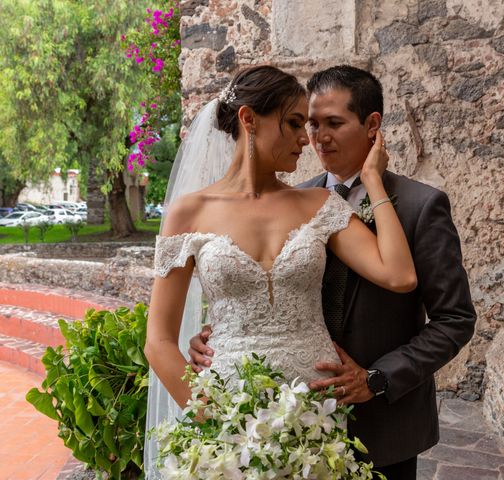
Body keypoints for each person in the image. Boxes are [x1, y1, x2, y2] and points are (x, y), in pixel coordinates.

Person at [189, 65, 477, 480]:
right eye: (309, 124)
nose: (317, 137)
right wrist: (218, 336)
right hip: (290, 422)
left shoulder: (421, 206)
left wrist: (376, 379)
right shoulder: (294, 199)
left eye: (334, 123)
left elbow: (455, 320)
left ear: (372, 125)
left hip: (384, 427)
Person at [143, 65, 417, 476]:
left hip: (314, 415)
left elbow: (399, 275)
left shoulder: (318, 205)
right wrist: (217, 422)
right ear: (248, 119)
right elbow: (159, 340)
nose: (304, 140)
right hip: (227, 415)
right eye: (292, 124)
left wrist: (373, 181)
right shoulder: (189, 212)